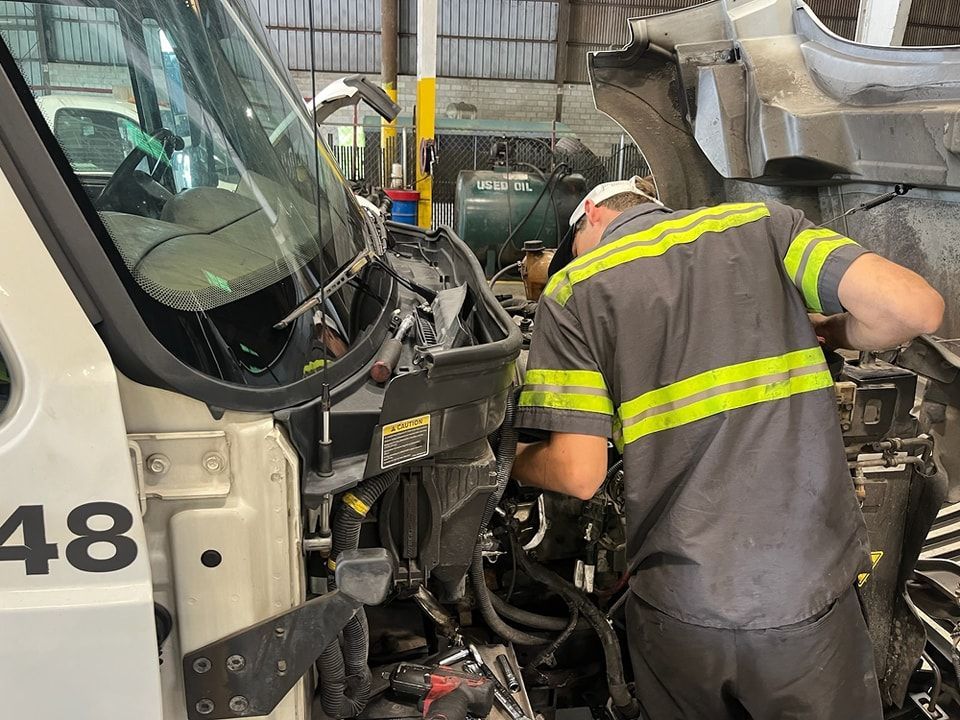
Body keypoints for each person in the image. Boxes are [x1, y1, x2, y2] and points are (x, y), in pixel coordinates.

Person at [511, 177, 945, 720]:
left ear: (593, 214)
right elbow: (916, 309)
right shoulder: (763, 225)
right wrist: (832, 332)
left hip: (681, 608)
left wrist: (514, 458)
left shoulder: (573, 291)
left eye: (571, 247)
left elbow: (579, 475)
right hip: (805, 600)